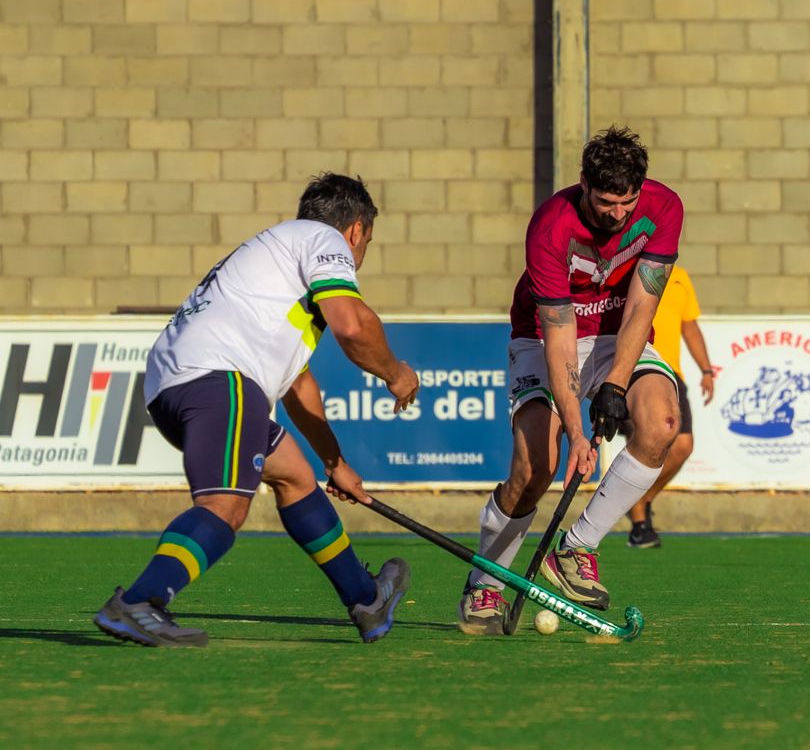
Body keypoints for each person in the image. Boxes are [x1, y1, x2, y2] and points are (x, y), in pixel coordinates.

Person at [94, 172, 419, 647]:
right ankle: (140, 602)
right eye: (367, 241)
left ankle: (366, 599)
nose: (361, 252)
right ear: (355, 231)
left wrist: (334, 462)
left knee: (295, 477)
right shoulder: (324, 240)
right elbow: (353, 326)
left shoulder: (279, 266)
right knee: (225, 507)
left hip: (183, 385)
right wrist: (395, 374)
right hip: (219, 380)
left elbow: (298, 385)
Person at [457, 126, 684, 635]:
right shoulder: (550, 227)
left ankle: (576, 549)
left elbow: (643, 306)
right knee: (537, 466)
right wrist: (578, 432)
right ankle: (485, 585)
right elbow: (559, 338)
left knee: (663, 423)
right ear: (584, 184)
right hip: (544, 335)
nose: (617, 215)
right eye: (605, 202)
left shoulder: (664, 208)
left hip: (615, 333)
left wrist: (616, 385)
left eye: (626, 203)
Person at [626, 264, 714, 547]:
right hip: (634, 367)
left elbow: (689, 325)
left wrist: (706, 370)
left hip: (671, 372)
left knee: (683, 445)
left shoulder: (680, 276)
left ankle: (640, 499)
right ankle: (639, 524)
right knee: (644, 441)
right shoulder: (626, 268)